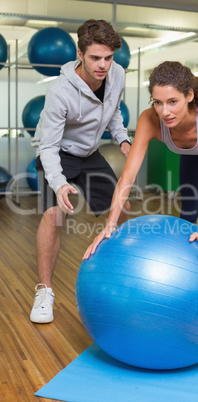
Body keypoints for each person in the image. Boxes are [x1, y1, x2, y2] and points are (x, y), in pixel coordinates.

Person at [84, 61, 198, 329]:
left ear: (190, 96)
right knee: (187, 214)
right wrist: (110, 224)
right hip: (191, 152)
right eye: (158, 102)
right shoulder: (150, 119)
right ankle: (190, 281)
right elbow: (128, 176)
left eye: (172, 101)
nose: (165, 111)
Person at [30, 19, 131, 324]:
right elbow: (47, 146)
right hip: (58, 152)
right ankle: (44, 292)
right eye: (95, 58)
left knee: (122, 208)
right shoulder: (60, 91)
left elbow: (113, 111)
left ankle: (123, 275)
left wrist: (123, 139)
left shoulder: (117, 74)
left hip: (89, 153)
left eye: (109, 57)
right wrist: (59, 184)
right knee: (53, 215)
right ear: (80, 53)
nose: (103, 65)